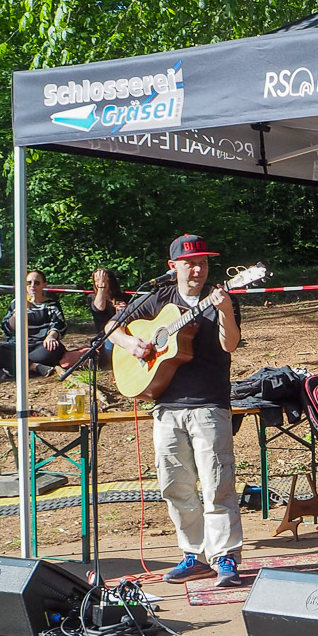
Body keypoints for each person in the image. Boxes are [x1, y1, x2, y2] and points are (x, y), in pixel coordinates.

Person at [108, 235, 246, 586]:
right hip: (166, 404)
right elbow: (111, 328)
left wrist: (225, 310)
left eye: (203, 263)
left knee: (217, 485)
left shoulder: (221, 298)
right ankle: (193, 555)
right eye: (190, 264)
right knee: (175, 486)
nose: (198, 269)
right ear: (173, 267)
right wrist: (131, 343)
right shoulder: (159, 298)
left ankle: (224, 557)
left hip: (209, 404)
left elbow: (230, 344)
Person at [0, 270, 67, 378]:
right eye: (29, 283)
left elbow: (58, 325)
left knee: (56, 348)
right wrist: (19, 311)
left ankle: (14, 365)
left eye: (36, 283)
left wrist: (51, 336)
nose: (32, 286)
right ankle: (34, 366)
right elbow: (7, 328)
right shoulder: (16, 302)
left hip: (40, 345)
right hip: (16, 346)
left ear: (44, 285)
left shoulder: (51, 304)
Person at [88, 268, 130, 365]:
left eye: (104, 280)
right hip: (106, 340)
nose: (100, 283)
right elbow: (99, 307)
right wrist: (101, 287)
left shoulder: (125, 297)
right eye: (97, 280)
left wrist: (126, 310)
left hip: (126, 334)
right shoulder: (92, 298)